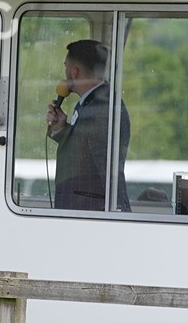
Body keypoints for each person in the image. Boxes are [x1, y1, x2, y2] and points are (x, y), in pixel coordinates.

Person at [46, 39, 131, 212]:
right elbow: (83, 148)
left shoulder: (101, 107)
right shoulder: (93, 102)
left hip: (90, 211)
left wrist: (116, 211)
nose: (65, 73)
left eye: (66, 67)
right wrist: (61, 129)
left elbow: (103, 166)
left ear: (74, 71)